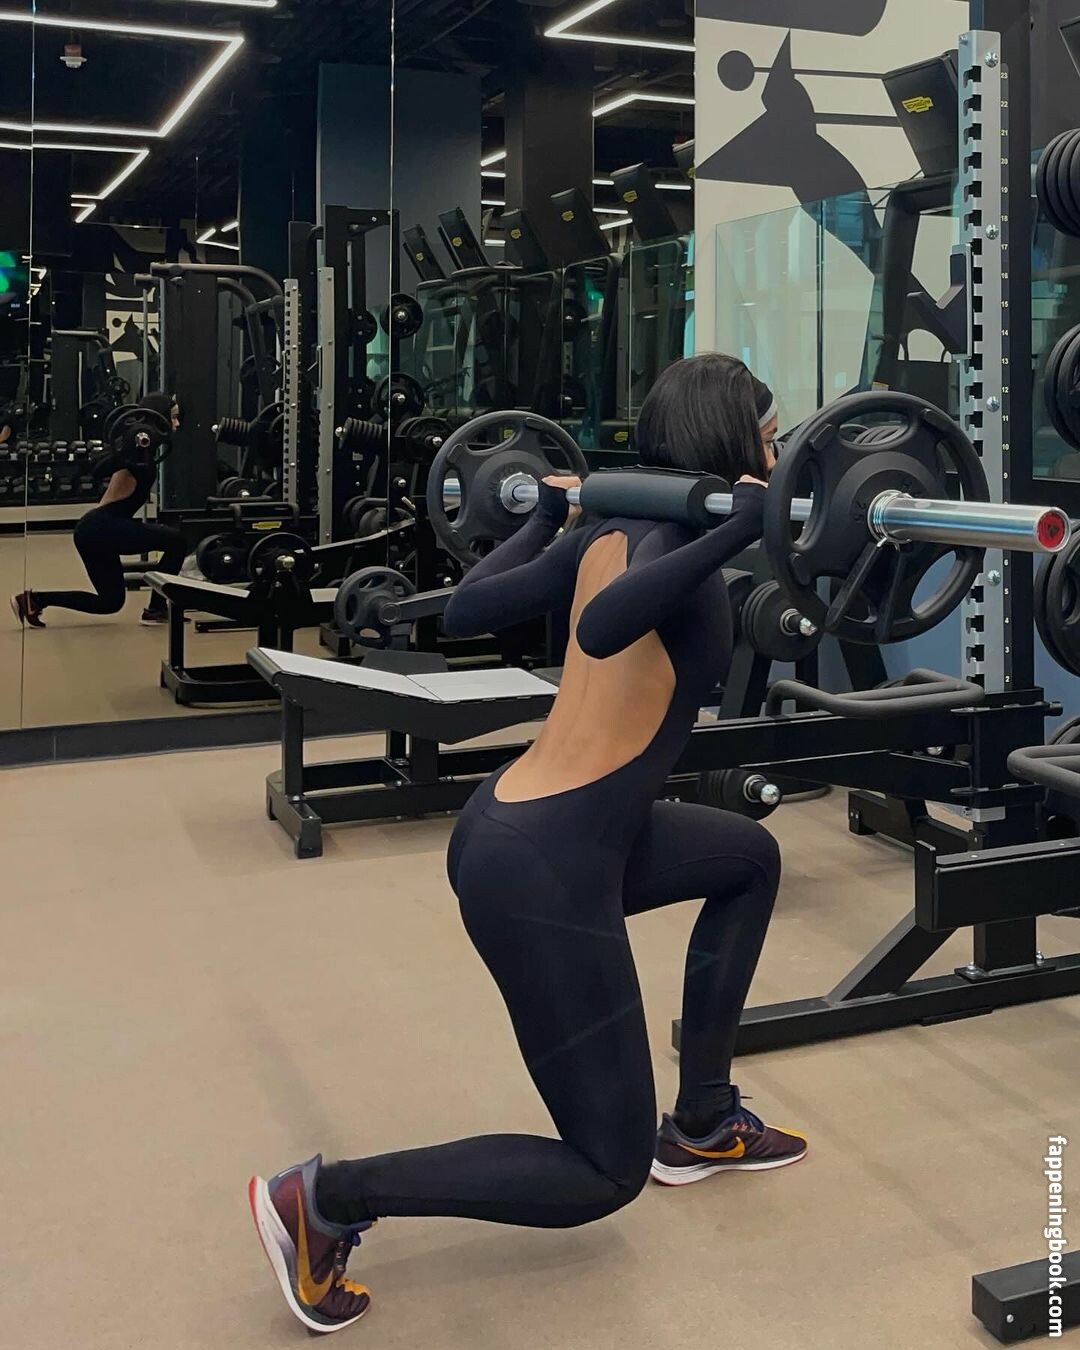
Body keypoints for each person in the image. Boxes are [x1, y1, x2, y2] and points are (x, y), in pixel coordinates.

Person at [248, 354, 806, 1336]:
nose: (778, 457)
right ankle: (327, 1199)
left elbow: (470, 607)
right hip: (547, 867)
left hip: (537, 825)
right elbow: (604, 627)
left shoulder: (610, 529)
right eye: (767, 439)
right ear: (729, 443)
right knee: (603, 1170)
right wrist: (735, 529)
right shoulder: (674, 542)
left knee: (747, 861)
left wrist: (545, 523)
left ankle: (705, 1120)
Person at [10, 392, 186, 628]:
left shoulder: (142, 452)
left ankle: (35, 600)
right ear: (159, 417)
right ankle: (156, 608)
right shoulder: (133, 452)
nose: (176, 423)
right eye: (173, 417)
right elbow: (100, 468)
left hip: (94, 531)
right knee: (177, 542)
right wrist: (127, 453)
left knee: (110, 602)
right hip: (103, 526)